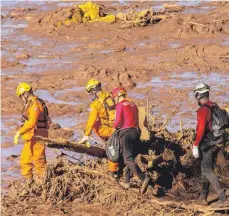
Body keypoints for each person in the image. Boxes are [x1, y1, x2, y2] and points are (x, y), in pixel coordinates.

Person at [193, 83, 228, 207]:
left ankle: (223, 199)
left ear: (198, 95)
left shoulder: (203, 110)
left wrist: (195, 145)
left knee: (207, 170)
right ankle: (203, 197)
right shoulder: (215, 106)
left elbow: (201, 129)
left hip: (208, 144)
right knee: (205, 170)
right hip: (218, 142)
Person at [112, 87, 150, 194]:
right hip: (135, 132)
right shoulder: (133, 105)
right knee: (130, 157)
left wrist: (114, 127)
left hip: (126, 133)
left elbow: (118, 120)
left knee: (127, 159)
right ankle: (127, 182)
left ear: (117, 96)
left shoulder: (120, 105)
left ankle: (143, 178)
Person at [78, 79, 118, 175]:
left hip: (110, 130)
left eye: (90, 92)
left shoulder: (96, 104)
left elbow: (91, 120)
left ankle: (112, 171)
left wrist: (86, 135)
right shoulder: (111, 96)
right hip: (119, 126)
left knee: (110, 146)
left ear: (93, 91)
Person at [14, 82, 51, 178]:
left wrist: (19, 132)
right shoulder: (31, 104)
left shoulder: (35, 105)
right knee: (25, 161)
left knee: (39, 161)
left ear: (26, 94)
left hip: (39, 137)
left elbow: (32, 122)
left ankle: (43, 184)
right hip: (30, 137)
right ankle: (28, 184)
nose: (21, 99)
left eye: (21, 96)